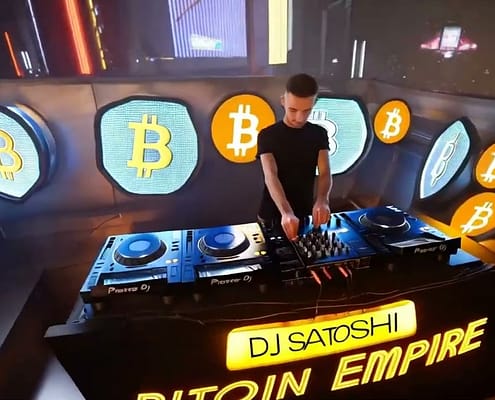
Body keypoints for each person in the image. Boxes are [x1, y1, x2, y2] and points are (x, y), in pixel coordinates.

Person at [257, 73, 333, 241]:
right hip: (272, 214)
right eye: (293, 110)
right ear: (283, 101)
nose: (300, 118)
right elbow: (271, 176)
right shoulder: (267, 135)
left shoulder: (319, 133)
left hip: (305, 212)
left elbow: (325, 172)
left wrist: (322, 199)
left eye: (307, 111)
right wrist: (286, 212)